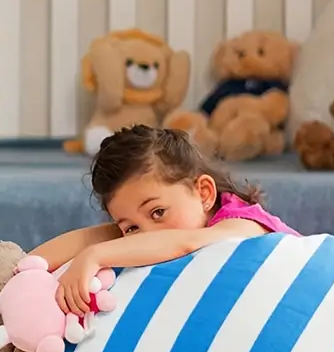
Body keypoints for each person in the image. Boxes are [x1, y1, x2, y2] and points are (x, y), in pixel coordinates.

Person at [30, 125, 300, 316]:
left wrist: (94, 256)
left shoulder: (243, 223)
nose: (146, 235)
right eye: (132, 227)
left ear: (203, 193)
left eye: (158, 212)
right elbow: (102, 237)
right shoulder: (157, 234)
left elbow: (185, 243)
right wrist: (23, 273)